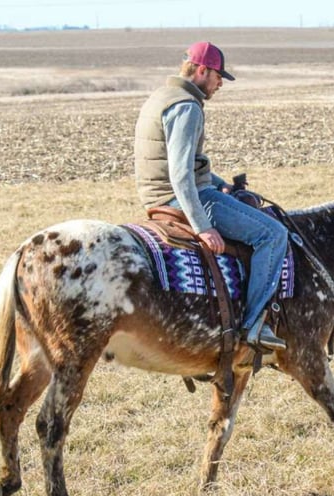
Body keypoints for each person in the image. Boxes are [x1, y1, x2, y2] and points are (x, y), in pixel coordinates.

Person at [134, 41, 288, 351]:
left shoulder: (162, 97)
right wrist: (203, 226)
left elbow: (184, 162)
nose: (220, 84)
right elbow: (180, 175)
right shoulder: (186, 107)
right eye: (218, 76)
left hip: (160, 194)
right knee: (274, 234)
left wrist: (222, 185)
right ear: (202, 70)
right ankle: (255, 324)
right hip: (180, 197)